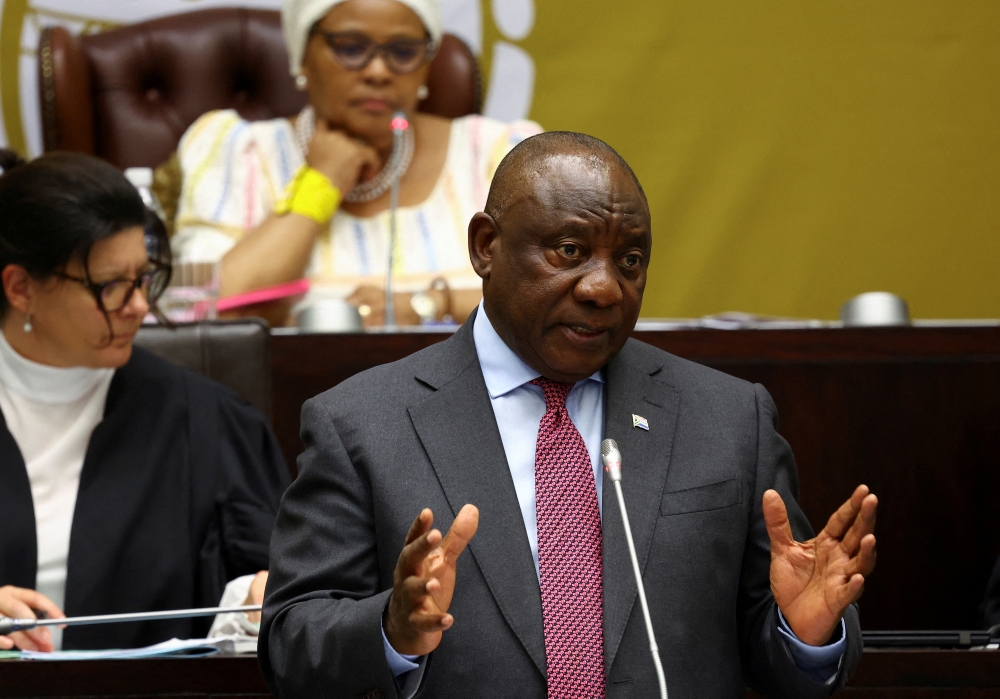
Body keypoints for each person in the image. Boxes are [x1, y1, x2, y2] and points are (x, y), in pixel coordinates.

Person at [259, 132, 879, 698]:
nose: (604, 287)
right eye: (569, 250)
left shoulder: (727, 417)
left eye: (630, 261)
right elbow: (290, 643)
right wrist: (391, 629)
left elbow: (776, 653)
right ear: (486, 247)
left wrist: (804, 632)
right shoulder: (362, 423)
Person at [0, 150, 289, 652]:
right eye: (110, 286)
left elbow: (264, 598)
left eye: (144, 278)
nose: (138, 306)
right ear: (21, 288)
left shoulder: (207, 421)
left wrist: (254, 603)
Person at [171, 0, 541, 327]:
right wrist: (319, 184)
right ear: (302, 54)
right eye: (350, 48)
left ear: (426, 66)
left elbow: (553, 299)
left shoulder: (498, 155)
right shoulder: (241, 153)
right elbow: (199, 311)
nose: (378, 71)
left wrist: (430, 304)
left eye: (402, 51)